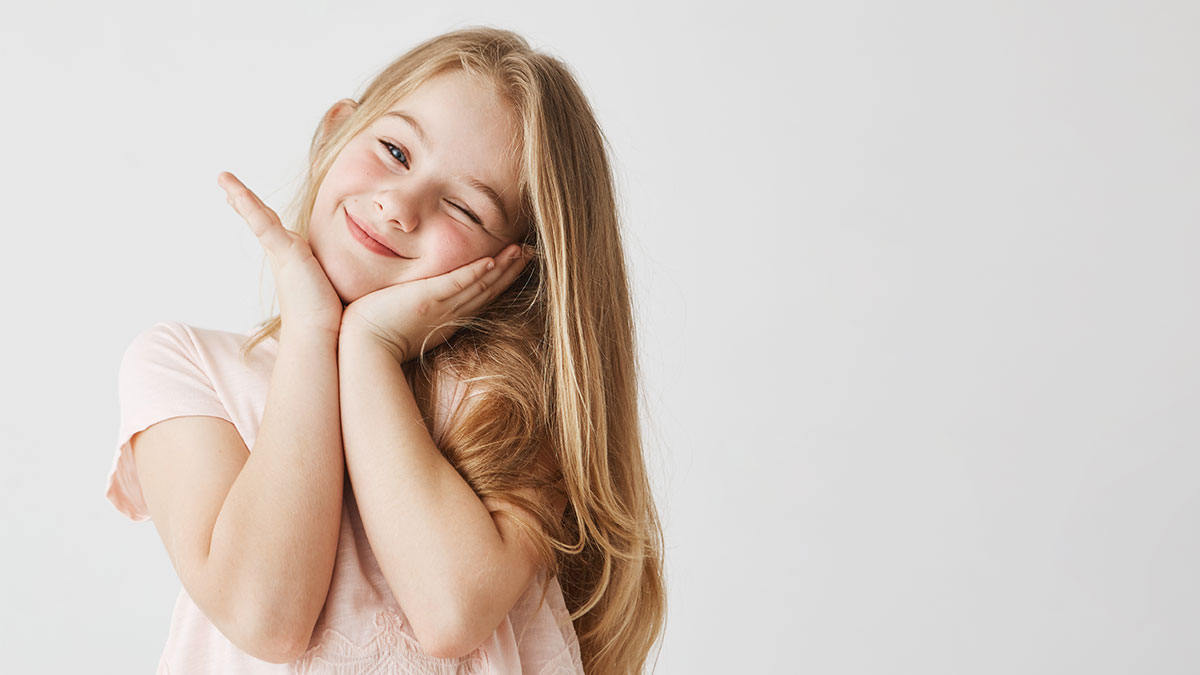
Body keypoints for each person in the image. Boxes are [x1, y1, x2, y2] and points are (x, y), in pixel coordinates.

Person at [105, 26, 666, 674]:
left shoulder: (508, 403)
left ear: (518, 267)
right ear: (335, 133)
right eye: (395, 151)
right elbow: (265, 618)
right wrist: (312, 330)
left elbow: (450, 611)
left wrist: (368, 349)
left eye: (465, 208)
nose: (399, 205)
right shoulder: (187, 368)